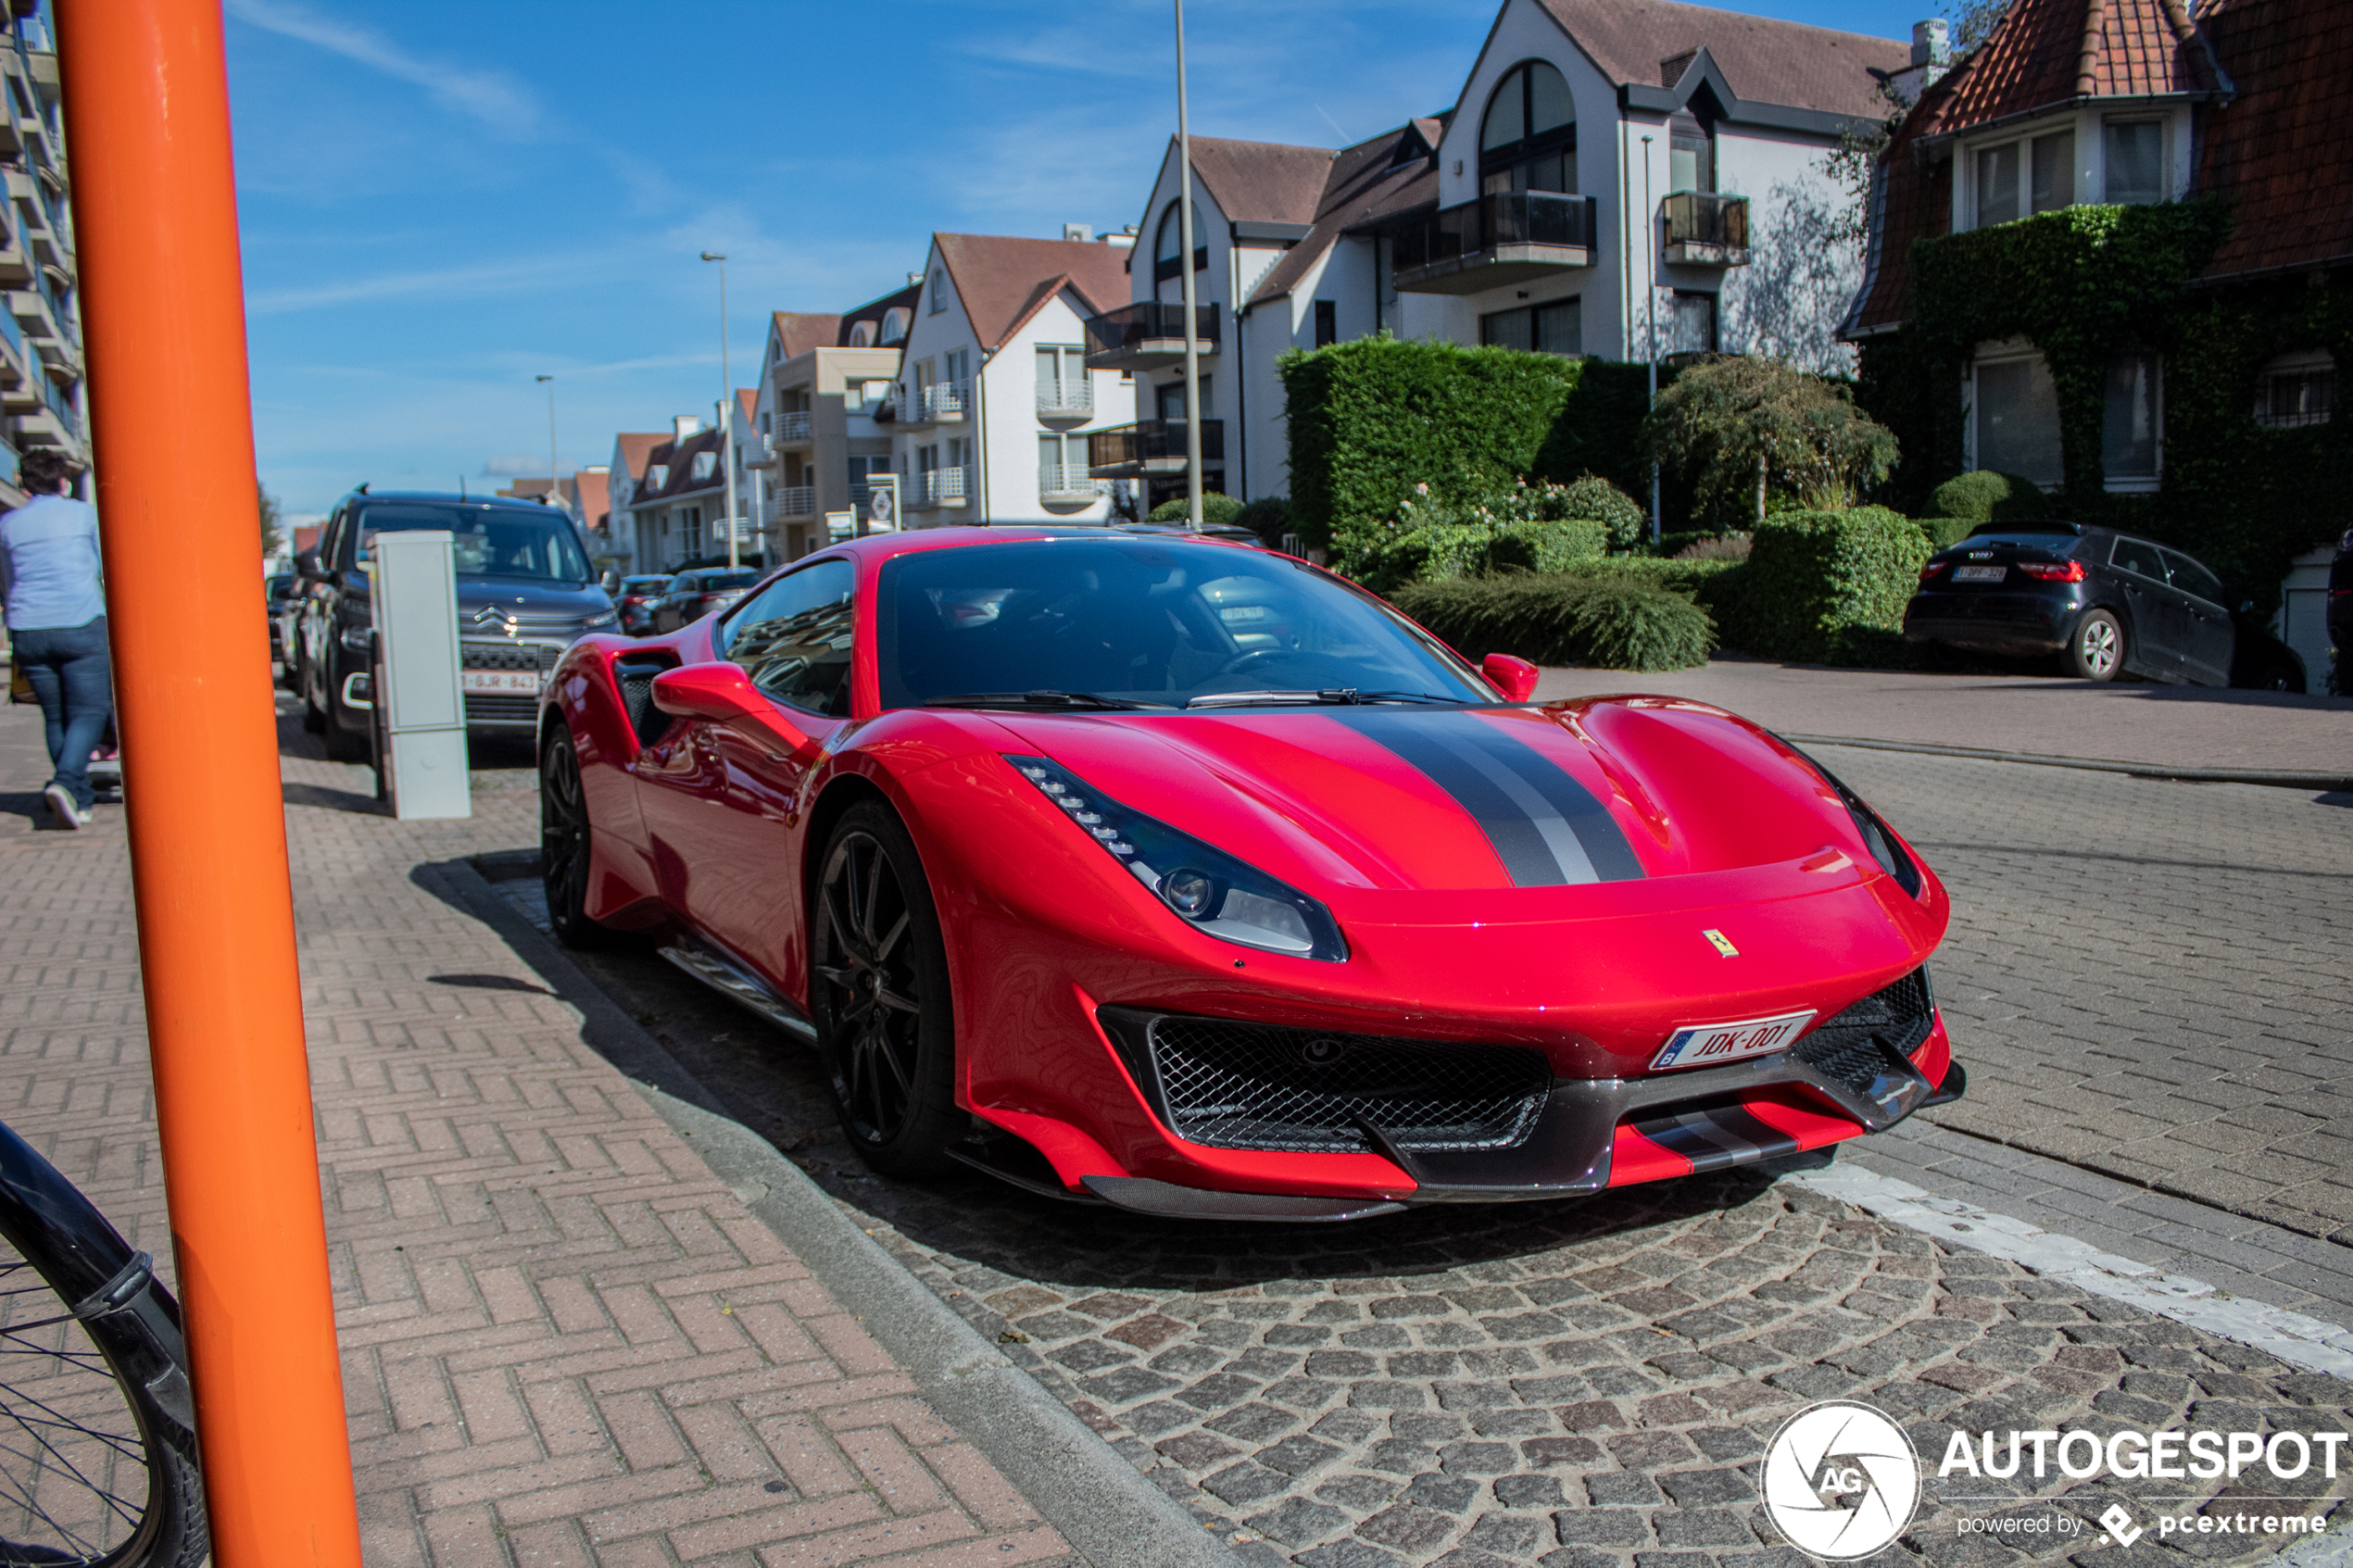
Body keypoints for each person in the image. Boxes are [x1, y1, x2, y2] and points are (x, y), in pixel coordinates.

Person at [0, 448, 109, 828]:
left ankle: (78, 800)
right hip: (80, 623)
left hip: (28, 628)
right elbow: (103, 566)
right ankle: (65, 782)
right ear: (64, 481)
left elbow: (7, 581)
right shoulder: (84, 515)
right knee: (89, 712)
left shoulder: (8, 525)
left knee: (56, 715)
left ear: (22, 483)